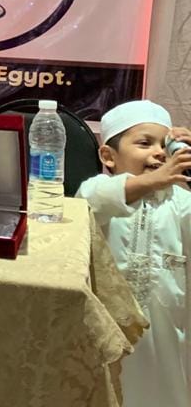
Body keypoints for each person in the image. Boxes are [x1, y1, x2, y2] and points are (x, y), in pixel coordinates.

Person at [77, 100, 191, 406]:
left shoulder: (180, 203)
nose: (159, 153)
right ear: (108, 156)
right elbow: (89, 202)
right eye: (144, 143)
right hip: (106, 336)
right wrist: (149, 181)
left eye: (165, 145)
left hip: (167, 342)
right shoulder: (99, 188)